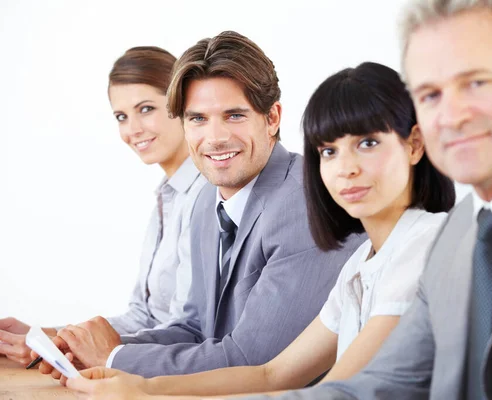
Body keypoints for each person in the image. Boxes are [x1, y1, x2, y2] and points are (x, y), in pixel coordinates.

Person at [204, 1, 492, 399]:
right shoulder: (464, 229)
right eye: (429, 95)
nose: (451, 116)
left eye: (476, 83)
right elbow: (369, 389)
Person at [63, 61, 457, 399]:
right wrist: (140, 386)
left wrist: (139, 388)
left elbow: (333, 392)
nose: (346, 167)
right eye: (329, 151)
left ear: (415, 145)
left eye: (368, 143)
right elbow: (274, 374)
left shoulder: (424, 244)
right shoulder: (362, 262)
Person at [37, 31, 364, 381]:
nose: (215, 137)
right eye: (198, 119)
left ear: (272, 118)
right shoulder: (209, 197)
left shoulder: (304, 204)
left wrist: (115, 357)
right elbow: (195, 328)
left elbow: (251, 361)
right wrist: (91, 350)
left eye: (234, 115)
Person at [0, 46, 206, 367]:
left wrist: (62, 347)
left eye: (146, 108)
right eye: (122, 116)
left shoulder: (208, 196)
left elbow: (191, 329)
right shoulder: (167, 198)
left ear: (181, 105)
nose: (133, 129)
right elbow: (143, 314)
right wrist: (47, 334)